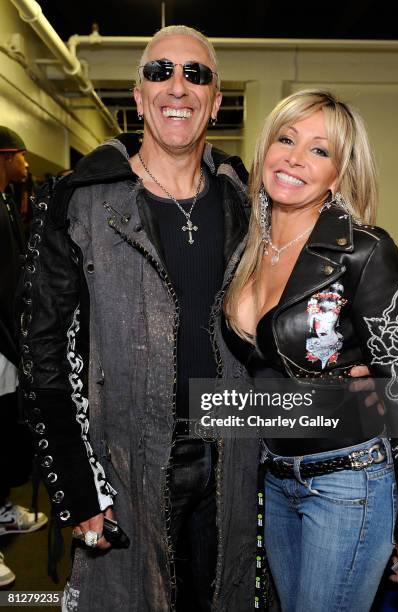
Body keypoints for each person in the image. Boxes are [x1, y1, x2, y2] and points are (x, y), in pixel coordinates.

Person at [17, 26, 260, 611]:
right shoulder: (81, 199)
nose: (178, 86)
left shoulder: (245, 200)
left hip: (231, 456)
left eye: (196, 74)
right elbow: (42, 353)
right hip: (127, 466)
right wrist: (79, 486)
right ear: (139, 93)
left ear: (217, 101)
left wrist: (362, 389)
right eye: (161, 72)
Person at [223, 90, 398, 611]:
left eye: (319, 150)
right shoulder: (247, 244)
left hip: (347, 481)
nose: (294, 157)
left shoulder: (363, 250)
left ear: (338, 174)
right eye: (286, 139)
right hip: (276, 479)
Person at [0, 127, 47, 587]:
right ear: (7, 156)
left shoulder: (8, 201)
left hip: (7, 342)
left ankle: (1, 510)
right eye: (21, 156)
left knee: (4, 432)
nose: (28, 164)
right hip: (0, 341)